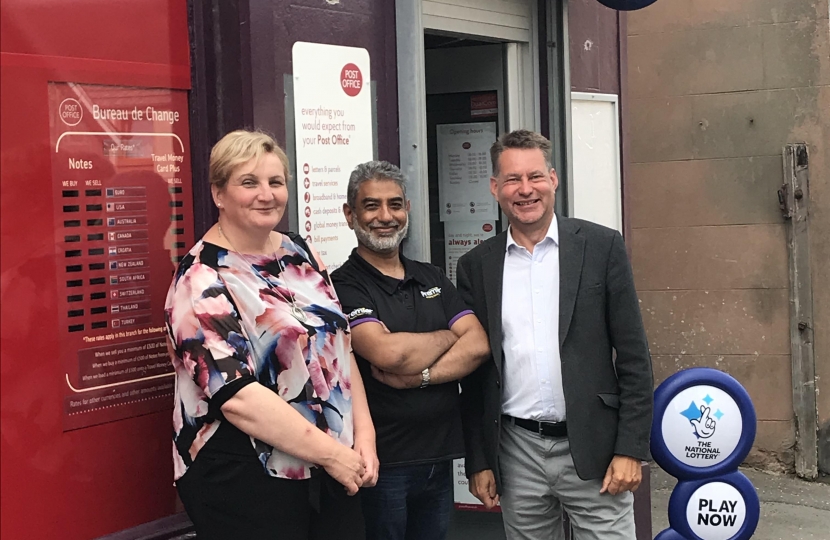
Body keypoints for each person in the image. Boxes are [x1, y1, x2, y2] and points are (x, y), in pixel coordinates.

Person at [164, 130, 378, 540]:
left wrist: (363, 437)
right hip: (246, 478)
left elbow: (340, 348)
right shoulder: (200, 281)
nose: (266, 194)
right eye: (249, 182)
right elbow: (238, 398)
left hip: (331, 470)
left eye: (275, 182)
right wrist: (334, 454)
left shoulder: (298, 251)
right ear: (219, 194)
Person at [456, 130, 653, 540]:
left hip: (595, 448)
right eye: (512, 180)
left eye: (534, 177)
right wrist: (478, 459)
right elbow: (476, 373)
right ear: (495, 188)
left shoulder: (601, 247)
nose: (525, 190)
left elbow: (634, 358)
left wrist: (631, 449)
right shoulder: (477, 265)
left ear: (553, 179)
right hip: (516, 450)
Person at [330, 161, 490, 540]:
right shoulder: (341, 286)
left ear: (408, 209)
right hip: (380, 464)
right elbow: (387, 354)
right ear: (350, 214)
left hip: (438, 457)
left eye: (395, 204)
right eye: (371, 206)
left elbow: (479, 343)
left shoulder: (431, 276)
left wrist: (423, 375)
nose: (385, 216)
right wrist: (450, 336)